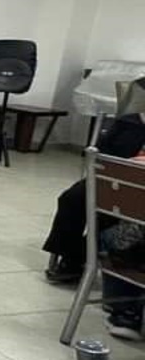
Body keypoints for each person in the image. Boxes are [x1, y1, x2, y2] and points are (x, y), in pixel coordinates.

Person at [43, 111, 145, 283]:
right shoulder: (129, 122)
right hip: (113, 178)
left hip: (139, 188)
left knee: (112, 213)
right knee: (72, 198)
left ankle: (80, 256)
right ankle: (69, 257)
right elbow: (101, 153)